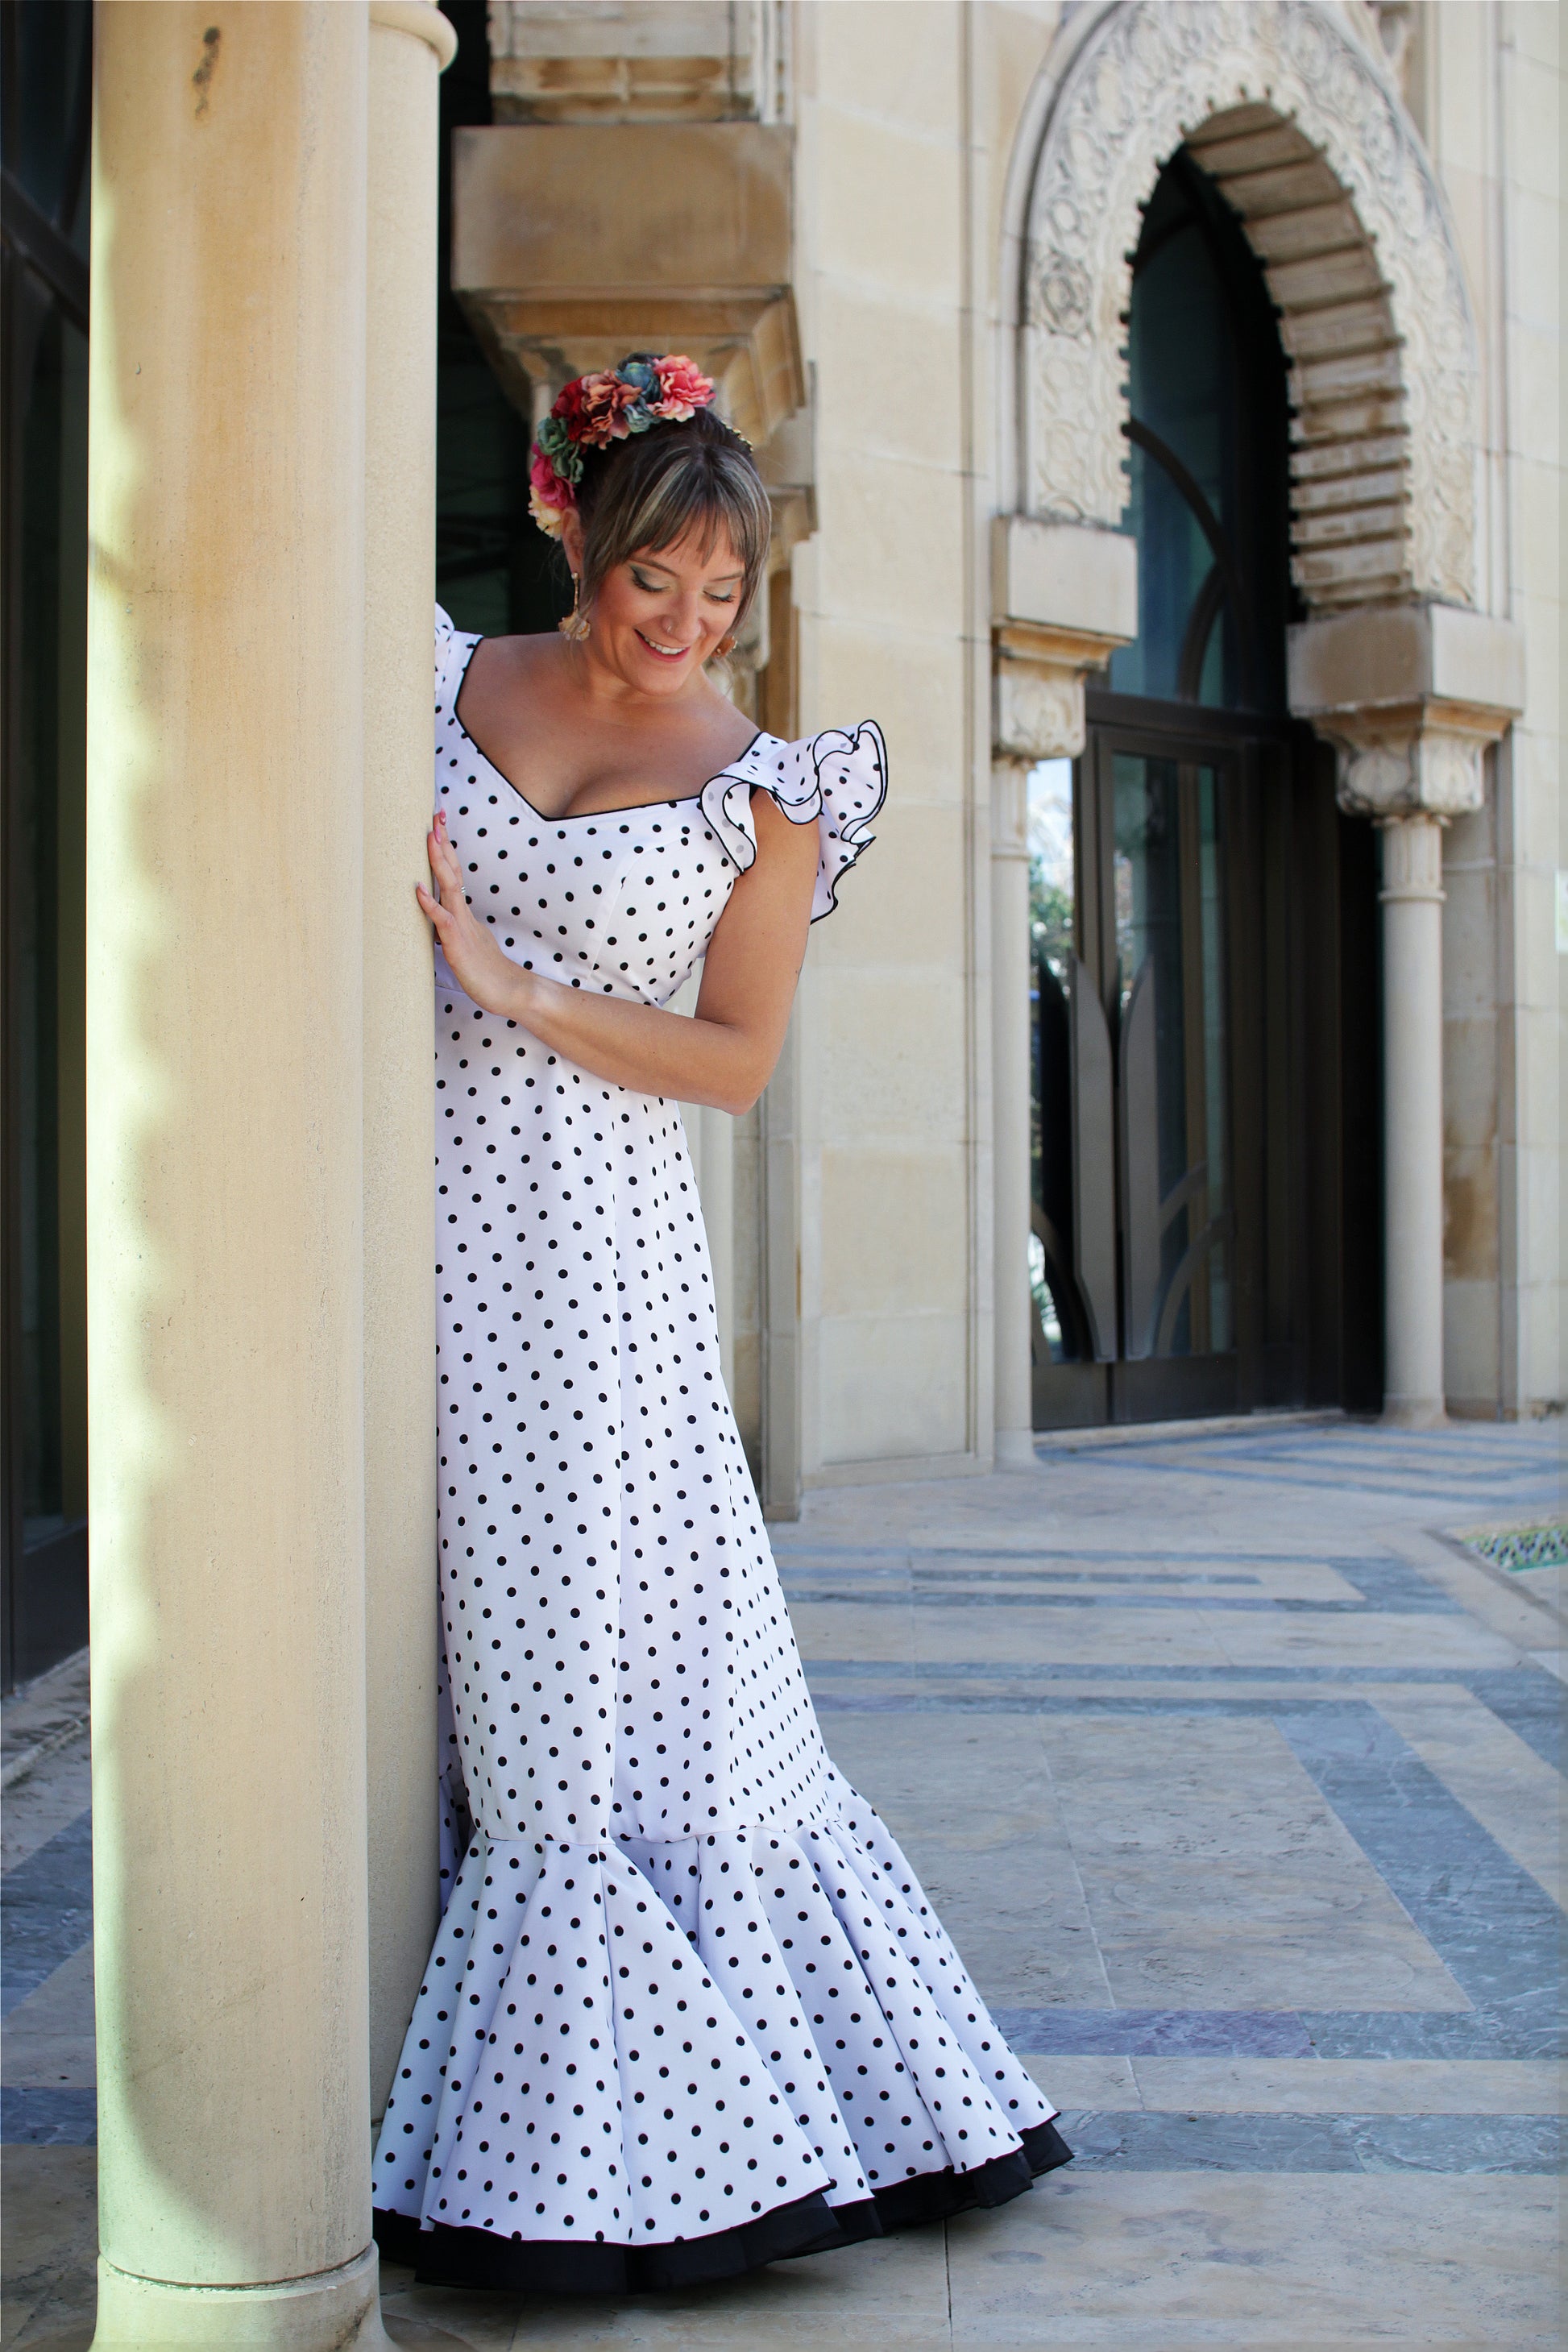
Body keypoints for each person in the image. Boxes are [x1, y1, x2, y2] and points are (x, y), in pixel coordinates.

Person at [371, 355, 1070, 2296]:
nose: (681, 629)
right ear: (564, 531)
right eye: (645, 581)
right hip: (398, 1228)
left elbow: (735, 1059)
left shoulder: (763, 790)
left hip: (587, 1274)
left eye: (719, 598)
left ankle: (610, 2161)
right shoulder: (437, 681)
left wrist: (509, 985)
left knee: (572, 1683)